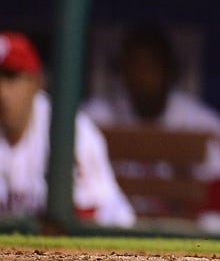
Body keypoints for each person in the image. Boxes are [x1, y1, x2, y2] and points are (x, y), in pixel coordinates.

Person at [82, 27, 220, 227]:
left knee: (215, 223)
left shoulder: (204, 122)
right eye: (133, 66)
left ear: (170, 71)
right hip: (116, 224)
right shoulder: (93, 118)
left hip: (181, 229)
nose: (141, 75)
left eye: (150, 66)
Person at [0, 31, 135, 227]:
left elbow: (88, 215)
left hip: (107, 234)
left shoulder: (69, 130)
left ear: (36, 82)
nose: (2, 91)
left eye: (11, 77)